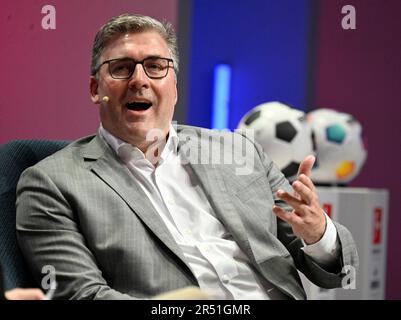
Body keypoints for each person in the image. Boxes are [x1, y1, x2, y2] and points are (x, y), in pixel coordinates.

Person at [15, 13, 358, 300]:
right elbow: (82, 295)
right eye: (121, 68)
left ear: (174, 86)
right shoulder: (52, 183)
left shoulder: (240, 151)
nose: (139, 80)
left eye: (155, 66)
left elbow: (337, 273)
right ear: (95, 89)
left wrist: (318, 233)